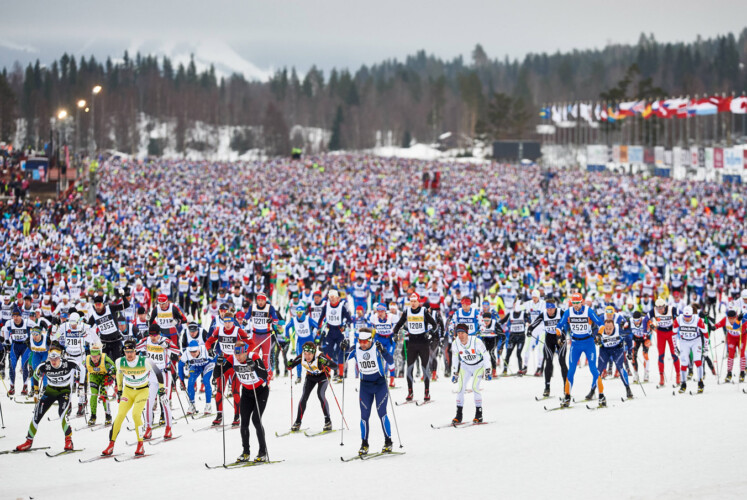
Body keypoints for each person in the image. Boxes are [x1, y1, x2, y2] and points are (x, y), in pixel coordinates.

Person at [102, 339, 165, 457]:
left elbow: (158, 373)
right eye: (127, 352)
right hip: (128, 391)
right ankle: (111, 445)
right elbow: (119, 374)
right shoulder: (119, 361)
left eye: (131, 352)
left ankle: (140, 444)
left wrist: (161, 389)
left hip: (142, 391)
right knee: (120, 415)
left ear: (135, 351)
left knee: (136, 415)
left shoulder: (145, 361)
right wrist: (119, 390)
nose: (129, 355)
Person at [15, 341, 81, 452]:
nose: (53, 361)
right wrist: (36, 391)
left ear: (60, 357)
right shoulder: (45, 365)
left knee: (62, 414)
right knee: (37, 413)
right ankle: (28, 441)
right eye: (51, 359)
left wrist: (81, 384)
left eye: (56, 359)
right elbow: (35, 375)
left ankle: (68, 440)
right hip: (50, 391)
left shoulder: (68, 363)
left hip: (64, 391)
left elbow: (82, 369)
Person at [342, 327, 394, 456]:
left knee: (382, 413)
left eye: (365, 341)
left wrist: (384, 351)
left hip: (380, 385)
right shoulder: (355, 349)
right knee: (364, 416)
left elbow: (391, 361)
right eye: (360, 341)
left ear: (370, 340)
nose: (363, 344)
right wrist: (342, 348)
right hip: (365, 387)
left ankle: (388, 442)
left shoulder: (376, 347)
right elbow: (341, 359)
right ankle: (364, 444)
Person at [204, 314, 252, 426]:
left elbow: (251, 343)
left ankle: (237, 416)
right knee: (219, 390)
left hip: (235, 362)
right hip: (224, 362)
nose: (227, 324)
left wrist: (245, 355)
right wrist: (210, 350)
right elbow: (208, 342)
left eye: (229, 322)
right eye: (225, 322)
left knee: (235, 391)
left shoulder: (238, 331)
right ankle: (219, 415)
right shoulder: (219, 330)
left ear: (233, 322)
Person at [556, 293, 603, 407]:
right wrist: (559, 336)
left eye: (578, 303)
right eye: (574, 303)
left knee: (593, 368)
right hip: (575, 344)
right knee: (571, 370)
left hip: (588, 343)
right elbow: (559, 326)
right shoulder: (568, 312)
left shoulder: (588, 311)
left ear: (582, 302)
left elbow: (601, 324)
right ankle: (567, 396)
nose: (576, 305)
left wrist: (599, 335)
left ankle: (601, 395)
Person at [392, 293, 439, 401]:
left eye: (415, 301)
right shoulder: (407, 311)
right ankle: (410, 392)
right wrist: (395, 333)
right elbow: (399, 324)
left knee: (425, 368)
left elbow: (434, 325)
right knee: (409, 368)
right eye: (411, 301)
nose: (413, 303)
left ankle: (427, 392)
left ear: (418, 302)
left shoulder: (424, 311)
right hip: (412, 343)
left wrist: (430, 333)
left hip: (423, 343)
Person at [136, 323, 180, 439]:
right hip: (152, 374)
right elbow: (134, 347)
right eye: (151, 335)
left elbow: (177, 351)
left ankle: (168, 428)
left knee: (164, 401)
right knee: (148, 402)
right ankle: (148, 428)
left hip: (164, 374)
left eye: (155, 335)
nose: (152, 337)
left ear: (159, 334)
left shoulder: (165, 340)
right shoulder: (146, 341)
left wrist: (167, 346)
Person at [232, 340, 270, 463]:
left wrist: (254, 366)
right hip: (247, 393)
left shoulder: (254, 356)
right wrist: (219, 364)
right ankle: (246, 452)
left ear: (245, 352)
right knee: (244, 422)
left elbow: (264, 374)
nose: (238, 357)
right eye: (236, 354)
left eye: (240, 354)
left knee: (256, 420)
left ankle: (262, 452)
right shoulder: (233, 359)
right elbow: (218, 372)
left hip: (260, 391)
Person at [286, 341, 334, 432]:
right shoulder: (302, 357)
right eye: (305, 353)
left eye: (309, 354)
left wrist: (326, 363)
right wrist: (289, 365)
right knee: (304, 397)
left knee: (320, 394)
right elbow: (289, 367)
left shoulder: (320, 357)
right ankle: (297, 422)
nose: (307, 356)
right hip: (310, 377)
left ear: (314, 353)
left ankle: (328, 421)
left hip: (323, 377)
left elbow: (335, 366)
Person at [451, 323, 491, 424]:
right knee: (460, 388)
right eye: (458, 333)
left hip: (478, 366)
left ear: (467, 333)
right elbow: (455, 358)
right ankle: (458, 415)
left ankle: (479, 414)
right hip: (465, 366)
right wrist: (455, 372)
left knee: (475, 387)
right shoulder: (455, 343)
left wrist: (487, 370)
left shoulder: (476, 342)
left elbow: (485, 355)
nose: (460, 336)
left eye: (462, 333)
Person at [529, 299, 567, 397]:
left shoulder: (560, 312)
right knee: (548, 362)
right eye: (548, 309)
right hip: (549, 338)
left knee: (562, 362)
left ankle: (566, 387)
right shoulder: (544, 314)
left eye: (551, 309)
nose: (549, 311)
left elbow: (569, 321)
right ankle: (547, 387)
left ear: (555, 308)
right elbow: (534, 324)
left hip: (560, 338)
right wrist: (529, 330)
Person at [594, 319, 634, 407]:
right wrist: (595, 340)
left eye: (610, 329)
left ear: (613, 327)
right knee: (598, 371)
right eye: (606, 328)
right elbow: (592, 338)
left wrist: (630, 352)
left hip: (617, 350)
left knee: (620, 368)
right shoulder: (599, 331)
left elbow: (629, 338)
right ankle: (592, 390)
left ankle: (628, 388)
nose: (608, 331)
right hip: (604, 351)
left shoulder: (619, 330)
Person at [316, 289, 352, 381]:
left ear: (337, 298)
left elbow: (349, 319)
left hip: (339, 332)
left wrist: (345, 325)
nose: (332, 299)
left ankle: (340, 375)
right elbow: (321, 318)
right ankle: (328, 374)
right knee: (328, 354)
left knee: (341, 353)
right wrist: (319, 328)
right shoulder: (326, 306)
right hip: (330, 331)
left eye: (333, 297)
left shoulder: (341, 307)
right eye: (330, 297)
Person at [673, 306, 707, 394]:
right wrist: (675, 347)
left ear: (692, 315)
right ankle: (683, 384)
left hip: (696, 341)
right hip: (684, 341)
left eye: (689, 316)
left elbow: (705, 333)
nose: (687, 318)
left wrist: (706, 347)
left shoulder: (697, 319)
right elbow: (673, 334)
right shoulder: (678, 319)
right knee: (684, 363)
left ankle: (700, 382)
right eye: (685, 316)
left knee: (697, 360)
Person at [647, 298, 681, 387]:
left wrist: (678, 323)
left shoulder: (672, 309)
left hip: (671, 333)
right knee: (661, 356)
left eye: (661, 308)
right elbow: (645, 319)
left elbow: (682, 314)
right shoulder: (654, 311)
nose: (659, 310)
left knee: (674, 354)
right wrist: (649, 327)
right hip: (660, 333)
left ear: (664, 306)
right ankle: (661, 377)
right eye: (657, 308)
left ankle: (678, 375)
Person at [1, 306, 33, 395]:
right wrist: (7, 341)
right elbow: (5, 329)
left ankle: (25, 387)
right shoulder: (9, 323)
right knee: (12, 366)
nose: (16, 318)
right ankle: (12, 387)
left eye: (17, 316)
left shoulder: (27, 322)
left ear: (21, 316)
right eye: (14, 316)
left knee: (24, 366)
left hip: (25, 346)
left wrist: (31, 339)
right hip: (15, 346)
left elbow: (37, 328)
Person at [284, 302, 319, 382]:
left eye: (300, 312)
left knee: (311, 358)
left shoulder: (308, 319)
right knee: (299, 358)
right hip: (300, 340)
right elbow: (287, 327)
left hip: (309, 340)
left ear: (303, 313)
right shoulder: (294, 320)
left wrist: (317, 336)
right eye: (297, 312)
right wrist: (287, 336)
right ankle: (299, 376)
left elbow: (317, 326)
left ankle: (313, 374)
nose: (299, 314)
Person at [712, 306, 746, 383]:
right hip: (731, 338)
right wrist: (714, 327)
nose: (731, 320)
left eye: (733, 318)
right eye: (730, 318)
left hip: (741, 338)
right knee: (731, 355)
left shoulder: (741, 320)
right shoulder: (725, 320)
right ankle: (729, 373)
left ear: (736, 317)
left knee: (742, 354)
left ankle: (742, 372)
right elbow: (718, 324)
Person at [85, 343, 116, 426]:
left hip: (105, 376)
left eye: (96, 357)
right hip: (94, 376)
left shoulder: (105, 359)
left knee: (103, 394)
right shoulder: (87, 359)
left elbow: (115, 369)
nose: (94, 359)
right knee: (93, 395)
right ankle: (93, 416)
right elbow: (82, 368)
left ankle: (108, 415)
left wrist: (112, 378)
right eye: (92, 357)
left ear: (99, 355)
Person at [182, 340, 215, 415]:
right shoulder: (186, 353)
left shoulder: (205, 350)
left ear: (199, 349)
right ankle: (192, 405)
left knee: (206, 381)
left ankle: (208, 405)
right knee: (190, 382)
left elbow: (215, 359)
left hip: (208, 365)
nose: (193, 353)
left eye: (195, 351)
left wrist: (215, 375)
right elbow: (180, 365)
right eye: (191, 352)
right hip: (196, 366)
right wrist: (181, 380)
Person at [369, 303, 398, 387]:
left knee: (389, 358)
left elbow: (399, 324)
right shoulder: (373, 317)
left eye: (382, 311)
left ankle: (392, 379)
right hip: (379, 338)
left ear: (385, 311)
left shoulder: (392, 317)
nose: (380, 313)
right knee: (378, 357)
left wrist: (396, 334)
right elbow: (370, 327)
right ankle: (381, 377)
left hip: (389, 339)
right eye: (378, 311)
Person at [629, 311, 652, 382]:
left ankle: (646, 373)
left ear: (641, 319)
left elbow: (654, 326)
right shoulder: (630, 321)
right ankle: (636, 374)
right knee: (633, 356)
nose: (636, 322)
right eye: (635, 320)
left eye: (638, 320)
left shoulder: (645, 320)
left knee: (645, 354)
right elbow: (624, 328)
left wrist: (652, 326)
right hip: (636, 339)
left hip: (645, 338)